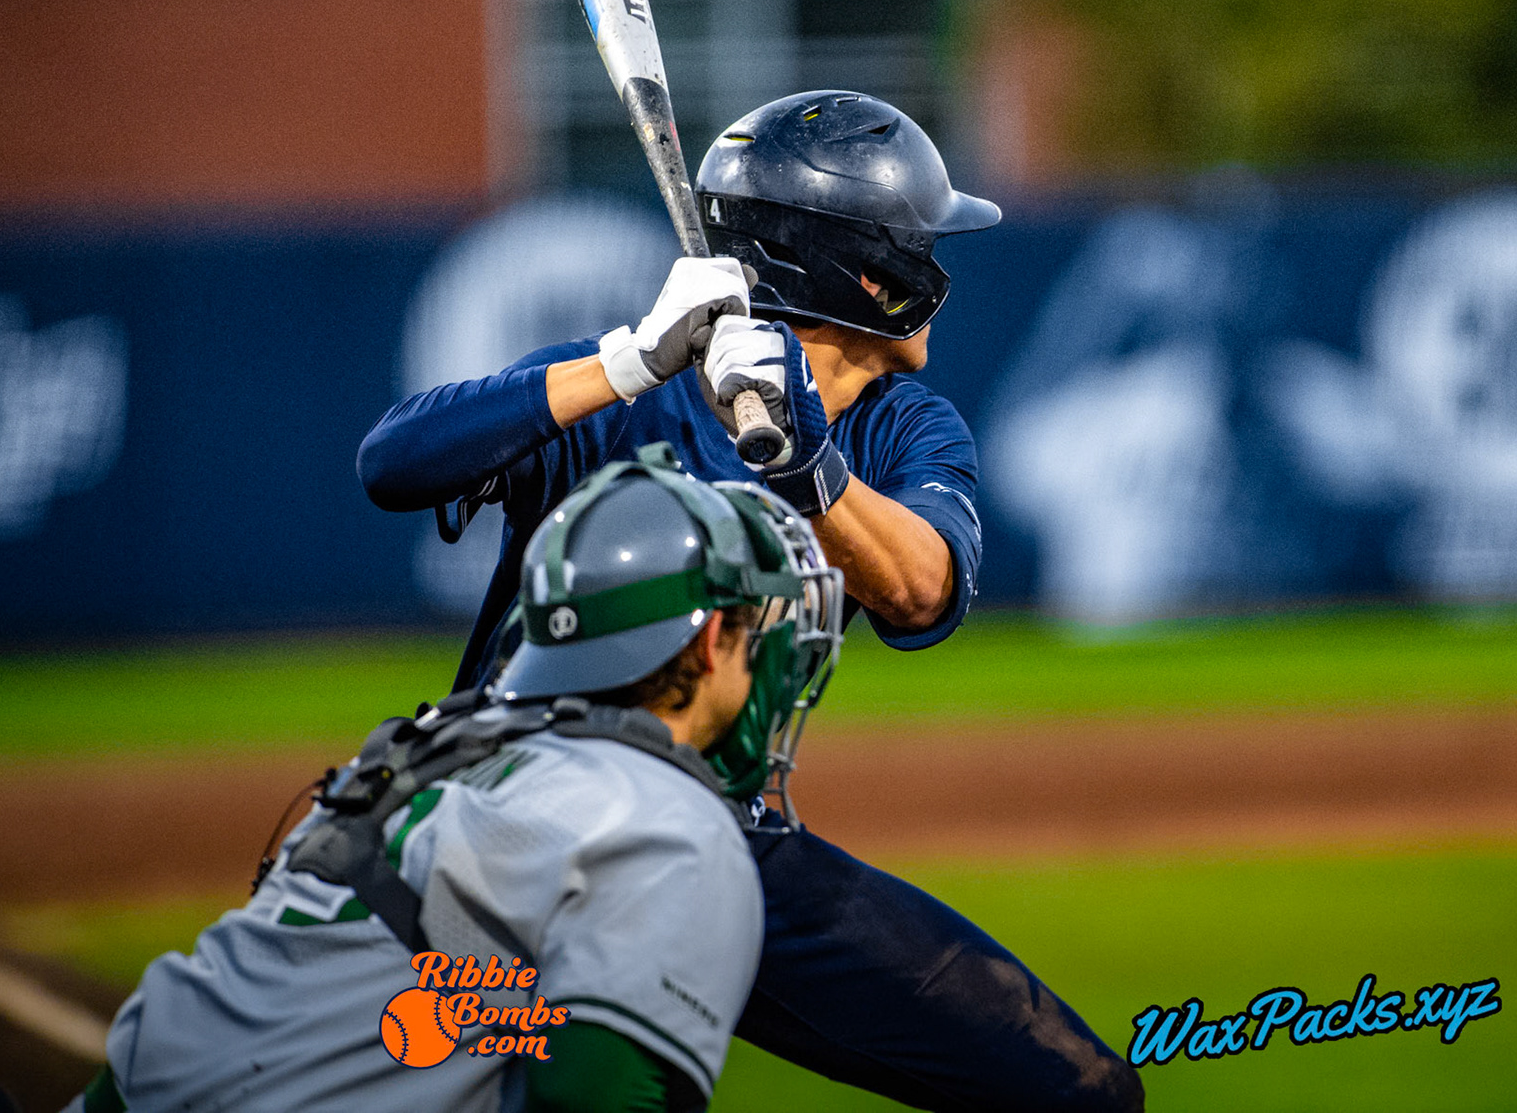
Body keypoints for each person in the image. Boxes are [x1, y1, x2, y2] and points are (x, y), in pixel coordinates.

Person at [357, 91, 1145, 1111]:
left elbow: (921, 590)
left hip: (725, 840)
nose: (941, 281)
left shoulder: (906, 423)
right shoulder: (624, 384)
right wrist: (627, 360)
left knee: (1080, 1092)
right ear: (871, 274)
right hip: (518, 846)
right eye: (922, 249)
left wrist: (804, 462)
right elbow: (394, 462)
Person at [71, 451, 843, 1113]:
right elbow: (592, 1095)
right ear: (711, 644)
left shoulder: (436, 745)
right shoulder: (669, 823)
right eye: (752, 628)